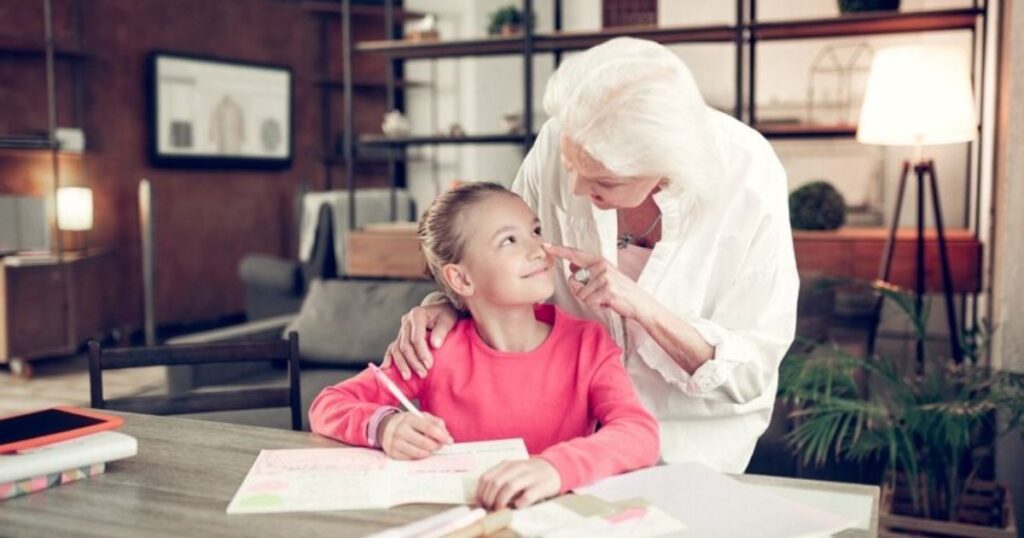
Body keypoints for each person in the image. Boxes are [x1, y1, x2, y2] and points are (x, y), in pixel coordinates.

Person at [382, 37, 800, 473]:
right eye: (571, 168)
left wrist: (643, 309)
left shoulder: (748, 175)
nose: (577, 189)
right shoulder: (562, 137)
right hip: (566, 448)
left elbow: (750, 374)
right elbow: (499, 259)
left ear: (664, 164)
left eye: (602, 179)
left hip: (692, 450)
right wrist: (453, 307)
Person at [309, 182, 660, 510]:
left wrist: (554, 468)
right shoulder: (434, 350)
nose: (538, 248)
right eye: (508, 240)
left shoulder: (588, 344)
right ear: (461, 278)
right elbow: (327, 405)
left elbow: (639, 433)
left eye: (535, 231)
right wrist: (384, 426)